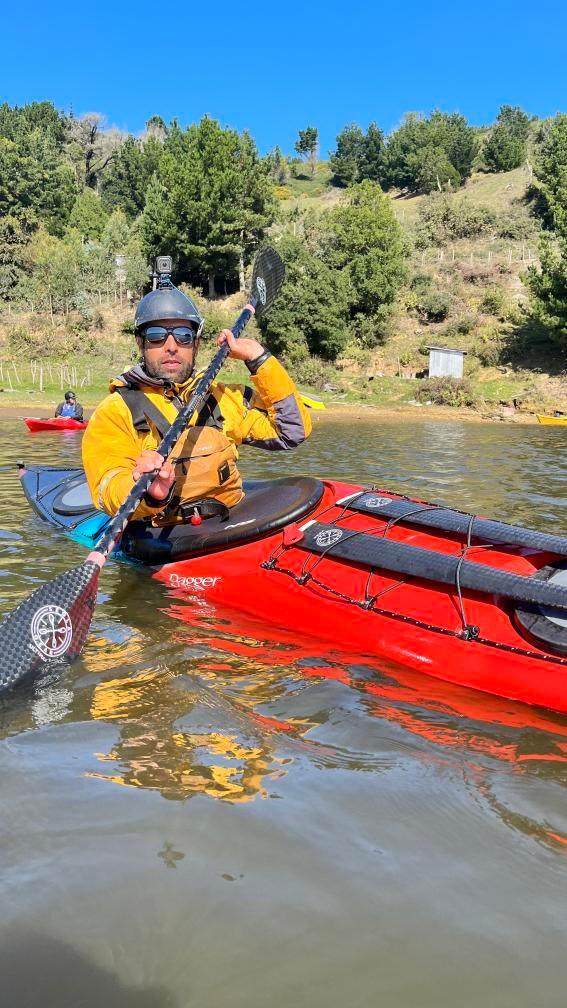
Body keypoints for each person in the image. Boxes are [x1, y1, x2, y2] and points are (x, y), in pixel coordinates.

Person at [82, 281, 312, 524]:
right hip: (163, 534)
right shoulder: (115, 411)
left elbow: (292, 431)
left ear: (196, 343)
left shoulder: (223, 398)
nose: (171, 347)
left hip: (231, 524)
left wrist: (259, 358)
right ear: (141, 343)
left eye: (183, 336)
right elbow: (107, 487)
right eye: (156, 336)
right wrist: (146, 491)